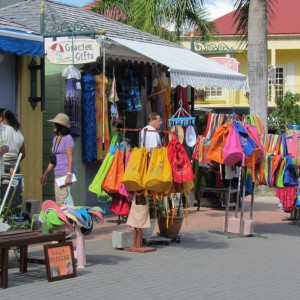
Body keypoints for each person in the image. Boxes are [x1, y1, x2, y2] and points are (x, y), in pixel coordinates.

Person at [40, 113, 76, 206]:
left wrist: (69, 175)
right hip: (58, 172)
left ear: (61, 126)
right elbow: (53, 160)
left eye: (55, 123)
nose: (53, 125)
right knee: (59, 199)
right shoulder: (55, 138)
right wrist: (45, 174)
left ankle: (68, 220)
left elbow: (70, 158)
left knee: (63, 200)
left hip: (65, 172)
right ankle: (66, 219)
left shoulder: (68, 139)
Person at [0, 108, 25, 173]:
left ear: (3, 118)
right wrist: (15, 163)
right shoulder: (18, 133)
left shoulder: (2, 129)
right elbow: (23, 154)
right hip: (14, 167)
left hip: (2, 165)